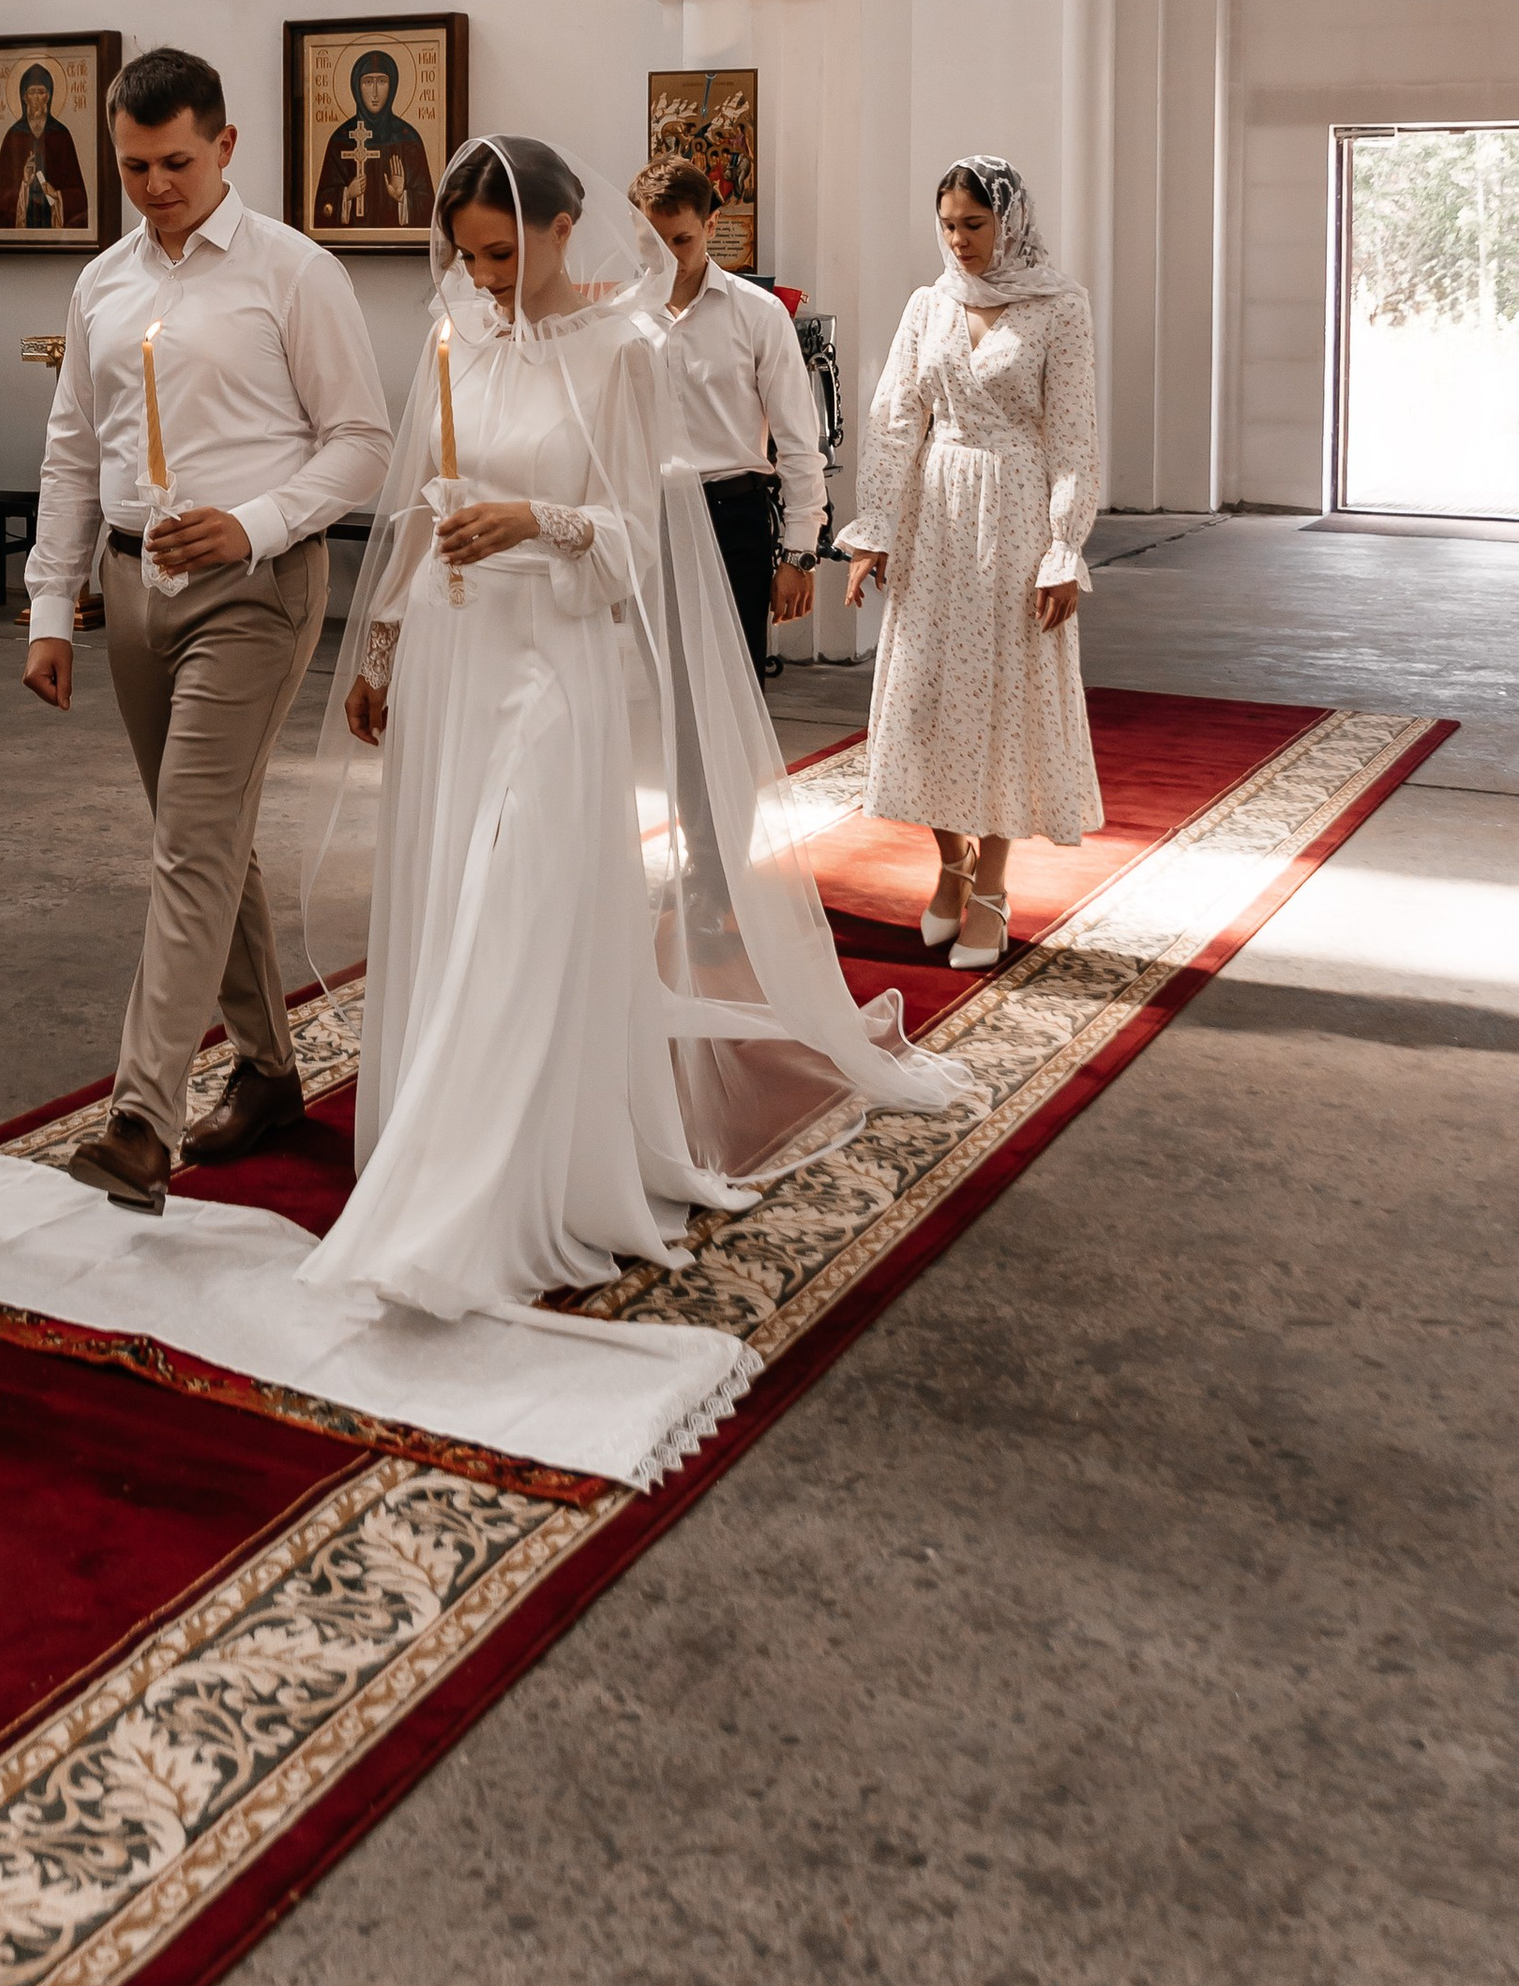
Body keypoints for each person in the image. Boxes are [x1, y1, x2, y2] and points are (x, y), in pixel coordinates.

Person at [296, 138, 976, 1330]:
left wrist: (531, 519)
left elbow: (631, 545)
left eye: (503, 253)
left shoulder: (623, 351)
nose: (487, 277)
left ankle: (501, 1187)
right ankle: (450, 1145)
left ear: (565, 230)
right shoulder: (457, 333)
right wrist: (384, 644)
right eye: (467, 257)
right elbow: (419, 503)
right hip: (458, 656)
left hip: (556, 663)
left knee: (523, 894)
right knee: (460, 898)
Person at [22, 44, 393, 1213]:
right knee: (207, 832)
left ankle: (142, 1116)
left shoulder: (294, 273)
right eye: (132, 167)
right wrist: (51, 604)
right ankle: (272, 1071)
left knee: (188, 836)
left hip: (256, 587)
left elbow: (362, 443)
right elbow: (74, 448)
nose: (153, 186)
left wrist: (253, 522)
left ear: (226, 145)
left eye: (175, 162)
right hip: (133, 591)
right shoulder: (102, 283)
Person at [841, 157, 1104, 966]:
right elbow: (894, 418)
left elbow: (1073, 437)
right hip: (936, 514)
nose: (959, 241)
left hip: (1017, 513)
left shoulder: (1059, 307)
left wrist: (1064, 549)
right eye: (949, 225)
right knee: (922, 696)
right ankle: (949, 860)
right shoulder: (929, 305)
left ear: (1009, 222)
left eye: (975, 225)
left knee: (1001, 699)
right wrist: (875, 528)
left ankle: (991, 881)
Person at [633, 155, 826, 680]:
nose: (668, 258)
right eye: (652, 243)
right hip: (645, 522)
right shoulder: (619, 320)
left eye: (681, 240)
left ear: (711, 226)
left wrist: (798, 554)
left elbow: (798, 440)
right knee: (652, 693)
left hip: (732, 520)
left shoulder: (758, 314)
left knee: (735, 693)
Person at [311, 47, 435, 235]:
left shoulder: (408, 139)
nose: (375, 93)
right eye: (368, 82)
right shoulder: (341, 138)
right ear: (356, 87)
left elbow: (430, 211)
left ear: (392, 86)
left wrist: (403, 197)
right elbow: (321, 210)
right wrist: (347, 194)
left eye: (382, 82)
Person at [0, 64, 90, 232]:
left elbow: (78, 195)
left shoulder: (61, 135)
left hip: (51, 213)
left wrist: (57, 194)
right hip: (24, 214)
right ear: (24, 97)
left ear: (49, 96)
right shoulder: (14, 136)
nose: (36, 99)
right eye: (32, 93)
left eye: (41, 93)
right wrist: (24, 184)